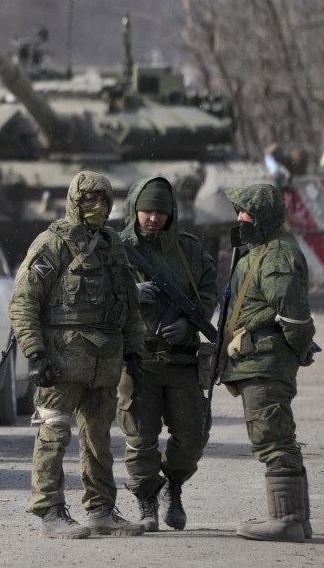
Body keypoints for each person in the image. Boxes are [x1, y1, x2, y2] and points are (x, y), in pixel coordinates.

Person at [8, 170, 147, 539]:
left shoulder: (112, 245)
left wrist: (135, 351)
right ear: (74, 201)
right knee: (53, 434)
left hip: (104, 365)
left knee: (99, 438)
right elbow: (23, 302)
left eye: (103, 199)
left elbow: (130, 306)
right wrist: (35, 354)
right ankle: (50, 511)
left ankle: (101, 509)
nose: (96, 206)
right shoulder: (51, 244)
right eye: (88, 199)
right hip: (60, 364)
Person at [116, 177, 218, 532]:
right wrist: (130, 291)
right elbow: (95, 290)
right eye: (147, 211)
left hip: (182, 361)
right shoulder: (116, 247)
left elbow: (208, 291)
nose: (153, 218)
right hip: (138, 360)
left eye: (161, 211)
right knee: (141, 439)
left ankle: (172, 484)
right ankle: (147, 499)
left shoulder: (188, 250)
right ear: (134, 210)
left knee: (192, 437)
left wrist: (189, 326)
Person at [220, 184, 316, 542]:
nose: (240, 218)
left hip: (265, 362)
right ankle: (296, 519)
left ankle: (287, 519)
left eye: (247, 212)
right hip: (257, 361)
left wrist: (297, 348)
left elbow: (293, 317)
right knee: (276, 435)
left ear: (264, 217)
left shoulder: (276, 255)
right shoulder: (261, 250)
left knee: (272, 438)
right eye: (238, 211)